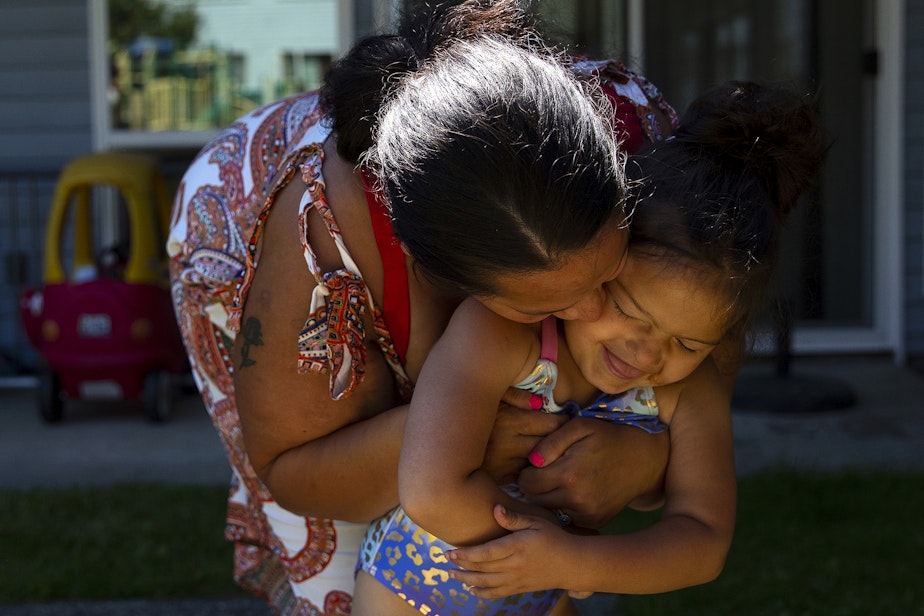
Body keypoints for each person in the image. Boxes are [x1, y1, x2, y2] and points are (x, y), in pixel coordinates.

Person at [166, 1, 676, 613]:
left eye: (614, 275)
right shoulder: (319, 248)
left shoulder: (644, 138)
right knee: (351, 589)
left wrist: (650, 461)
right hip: (237, 232)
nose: (599, 313)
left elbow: (701, 353)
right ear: (450, 280)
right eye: (557, 302)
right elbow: (293, 469)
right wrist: (453, 431)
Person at [411, 80, 825, 606]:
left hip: (544, 599)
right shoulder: (500, 335)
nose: (648, 354)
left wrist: (573, 561)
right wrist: (553, 545)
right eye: (631, 312)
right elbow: (431, 489)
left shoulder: (689, 390)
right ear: (600, 262)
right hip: (404, 593)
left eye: (690, 343)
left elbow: (704, 539)